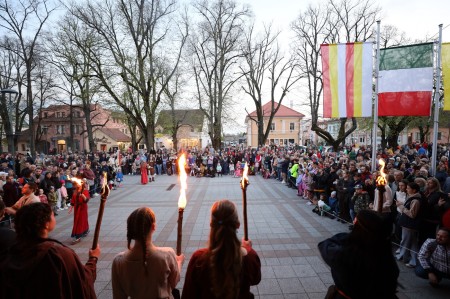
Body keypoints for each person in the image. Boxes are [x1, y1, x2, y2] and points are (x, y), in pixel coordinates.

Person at [0, 202, 100, 298]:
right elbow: (82, 280)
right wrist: (93, 259)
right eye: (52, 215)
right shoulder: (58, 255)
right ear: (46, 224)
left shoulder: (12, 251)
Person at [182, 199, 261, 299]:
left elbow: (188, 295)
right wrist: (248, 249)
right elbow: (256, 279)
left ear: (211, 224)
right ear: (237, 225)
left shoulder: (199, 259)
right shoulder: (250, 257)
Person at [318, 209, 399, 299]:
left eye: (355, 221)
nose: (353, 221)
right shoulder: (386, 256)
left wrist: (352, 236)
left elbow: (325, 245)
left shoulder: (346, 256)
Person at [112, 207, 184, 299]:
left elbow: (118, 296)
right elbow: (174, 281)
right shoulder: (167, 254)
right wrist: (179, 262)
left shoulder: (118, 261)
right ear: (153, 226)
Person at [69, 179, 91, 244]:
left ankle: (78, 236)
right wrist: (72, 206)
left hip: (82, 208)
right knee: (77, 220)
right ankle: (84, 231)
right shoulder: (75, 191)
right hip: (77, 208)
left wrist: (82, 195)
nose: (77, 186)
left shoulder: (85, 191)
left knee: (81, 220)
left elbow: (86, 200)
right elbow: (73, 199)